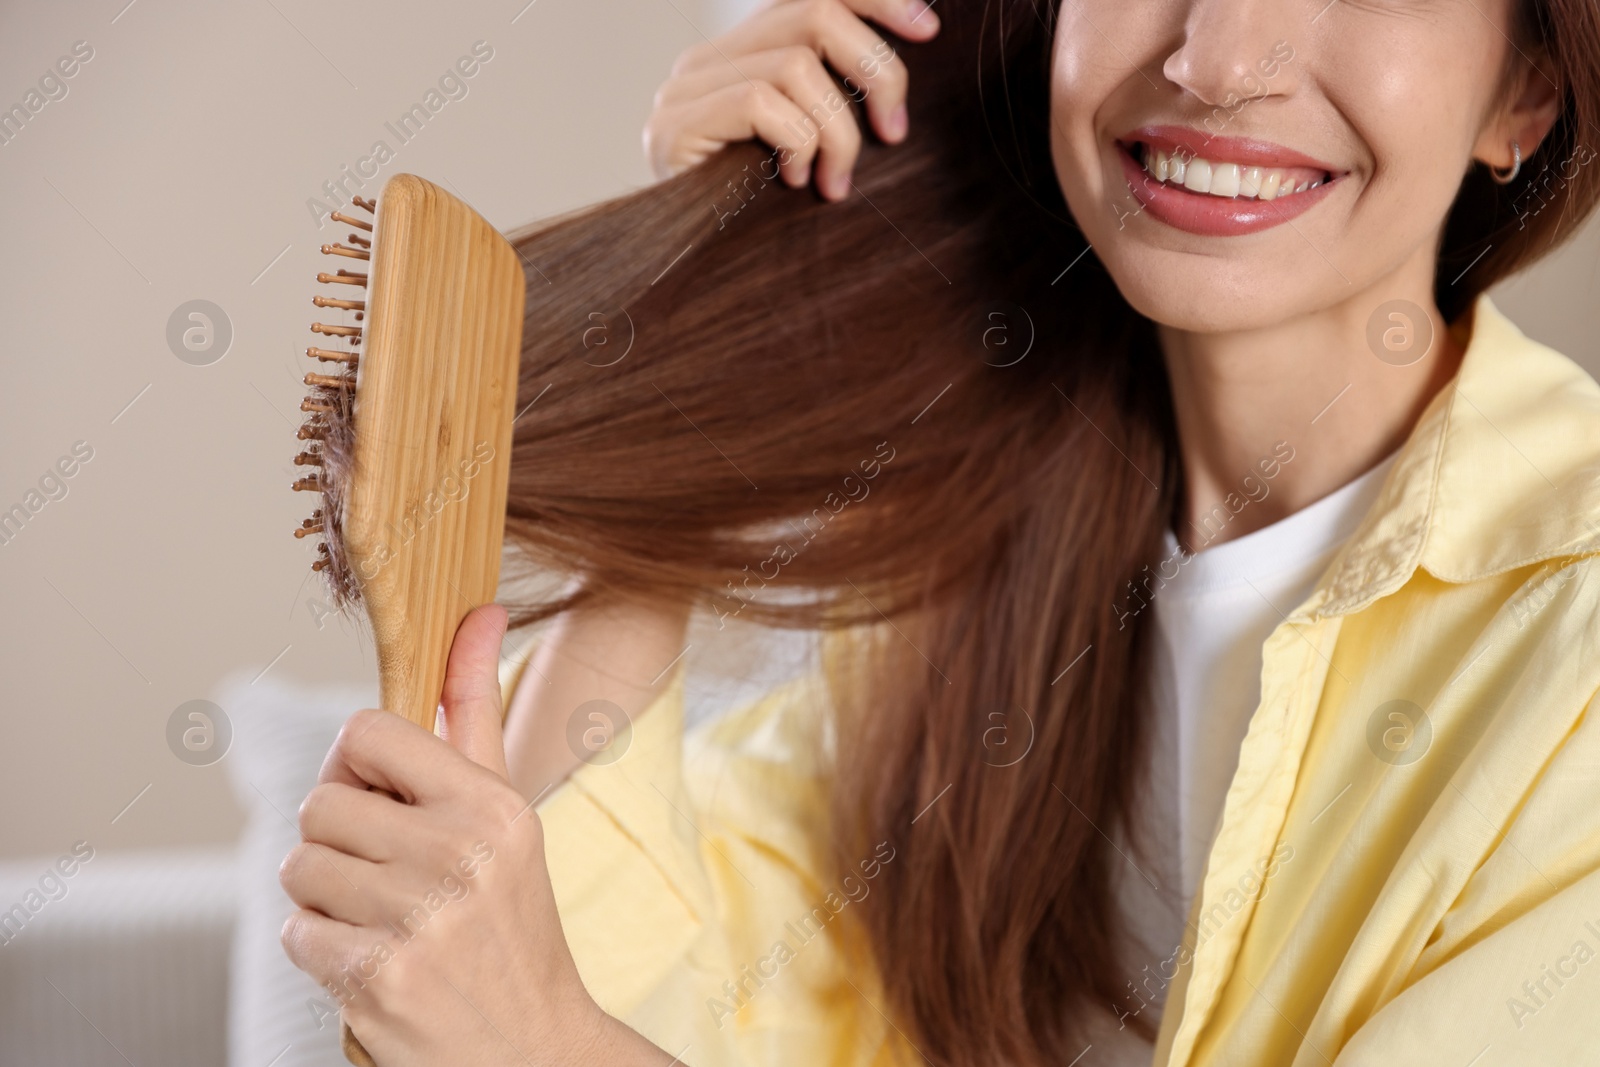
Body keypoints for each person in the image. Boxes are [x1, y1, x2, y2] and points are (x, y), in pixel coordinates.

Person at [279, 1, 1600, 1064]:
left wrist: (547, 1051)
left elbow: (546, 1025)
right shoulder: (970, 577)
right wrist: (707, 298)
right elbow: (658, 991)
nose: (1221, 59)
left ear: (1524, 94)